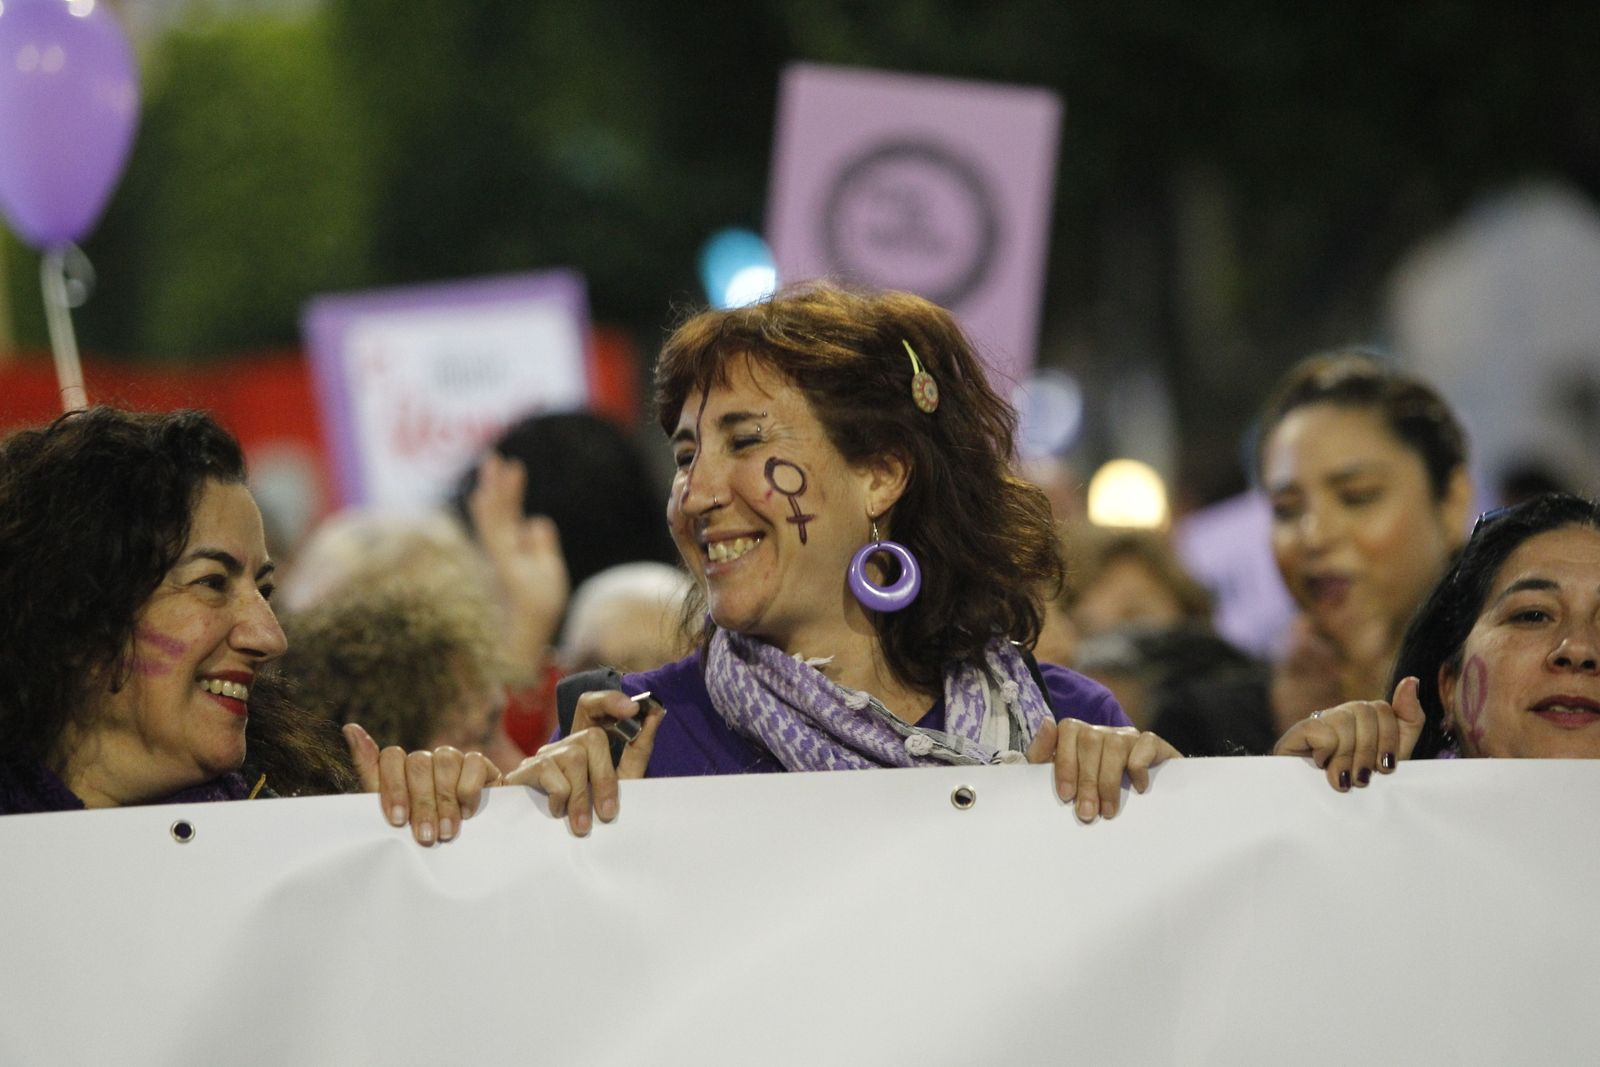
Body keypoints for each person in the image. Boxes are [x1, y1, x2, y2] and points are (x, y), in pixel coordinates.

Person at [506, 284, 1180, 834]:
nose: (696, 494)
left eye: (745, 441)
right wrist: (499, 816)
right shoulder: (628, 740)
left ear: (881, 474)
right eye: (685, 456)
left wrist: (1167, 807)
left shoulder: (1070, 728)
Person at [0, 407, 494, 845]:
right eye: (212, 582)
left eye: (266, 591)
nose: (270, 637)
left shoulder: (318, 834)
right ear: (74, 611)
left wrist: (426, 846)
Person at [1274, 493, 1600, 788]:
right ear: (1449, 687)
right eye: (1533, 615)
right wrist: (1301, 797)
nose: (1578, 649)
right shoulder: (1358, 818)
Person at [1257, 352, 1473, 731]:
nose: (1314, 536)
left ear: (1451, 502)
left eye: (1357, 496)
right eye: (1286, 509)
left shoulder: (1533, 691)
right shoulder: (1214, 722)